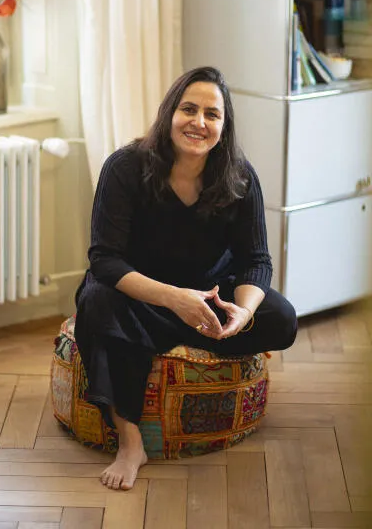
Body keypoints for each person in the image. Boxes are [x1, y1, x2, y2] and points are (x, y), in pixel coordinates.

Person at [74, 66, 297, 491]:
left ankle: (176, 333)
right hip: (139, 292)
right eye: (188, 109)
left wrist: (240, 313)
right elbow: (105, 260)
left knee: (281, 319)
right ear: (168, 114)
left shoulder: (240, 175)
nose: (199, 122)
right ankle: (130, 441)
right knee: (98, 302)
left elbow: (257, 261)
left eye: (212, 114)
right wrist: (176, 300)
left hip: (210, 294)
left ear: (223, 127)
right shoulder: (124, 168)